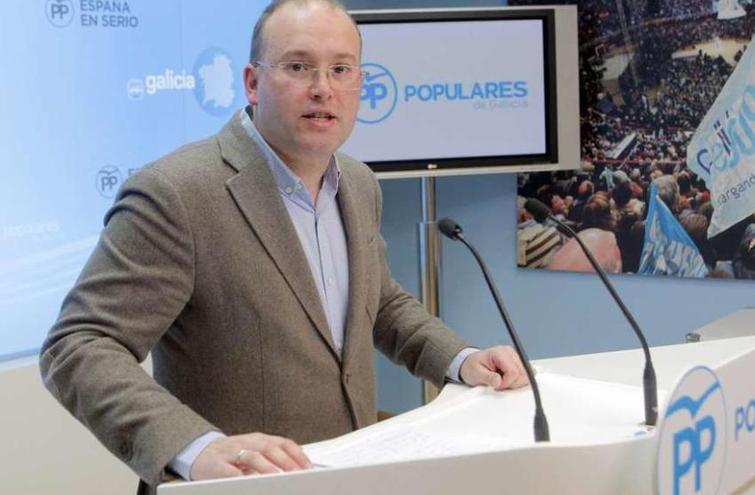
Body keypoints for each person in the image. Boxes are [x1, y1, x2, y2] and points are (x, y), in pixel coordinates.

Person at [39, 1, 527, 492]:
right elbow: (79, 345)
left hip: (346, 475)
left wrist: (461, 359)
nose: (323, 87)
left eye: (341, 69)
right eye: (298, 67)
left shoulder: (358, 183)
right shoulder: (177, 193)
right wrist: (195, 446)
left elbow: (378, 304)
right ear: (252, 83)